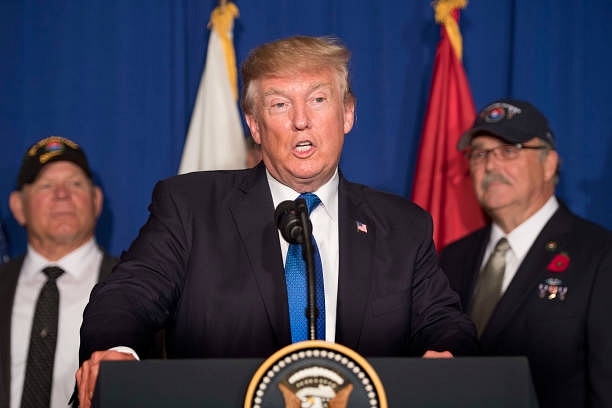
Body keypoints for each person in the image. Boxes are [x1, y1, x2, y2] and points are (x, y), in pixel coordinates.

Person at [76, 35, 478, 406]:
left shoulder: (402, 226)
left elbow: (445, 323)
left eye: (318, 100)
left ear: (348, 114)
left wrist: (446, 353)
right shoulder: (190, 207)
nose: (300, 120)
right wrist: (118, 350)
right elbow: (128, 294)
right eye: (279, 104)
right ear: (255, 126)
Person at [439, 99, 612, 408]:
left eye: (509, 150)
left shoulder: (599, 255)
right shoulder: (452, 259)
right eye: (479, 154)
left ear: (549, 164)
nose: (490, 166)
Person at [0, 136, 118, 408]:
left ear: (96, 200)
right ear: (18, 207)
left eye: (75, 183)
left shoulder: (138, 287)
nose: (62, 194)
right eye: (46, 185)